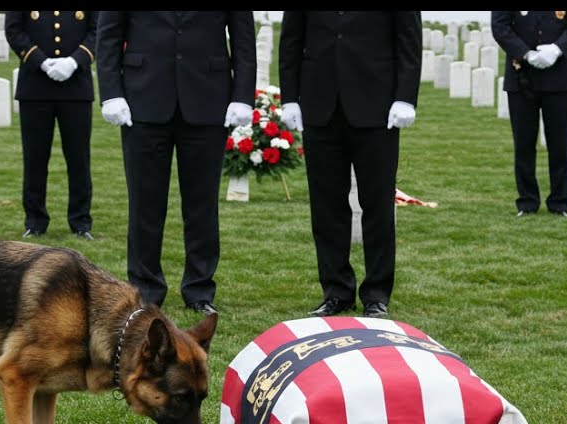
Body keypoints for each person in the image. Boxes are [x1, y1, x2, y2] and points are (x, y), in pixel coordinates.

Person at [96, 12, 256, 316]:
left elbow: (243, 39)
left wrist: (243, 96)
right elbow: (108, 35)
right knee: (144, 203)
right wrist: (111, 93)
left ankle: (199, 288)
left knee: (202, 205)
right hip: (143, 98)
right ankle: (145, 289)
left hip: (208, 98)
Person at [279, 11, 421, 319]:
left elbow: (408, 38)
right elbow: (291, 39)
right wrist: (290, 96)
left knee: (378, 204)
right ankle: (336, 290)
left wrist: (406, 96)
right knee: (326, 206)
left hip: (377, 105)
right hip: (320, 105)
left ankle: (377, 293)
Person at [4, 10, 98, 242]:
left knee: (79, 159)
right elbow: (14, 30)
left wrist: (75, 60)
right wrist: (41, 62)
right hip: (36, 86)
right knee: (35, 158)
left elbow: (97, 30)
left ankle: (80, 221)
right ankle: (35, 221)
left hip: (76, 86)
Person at [491, 10, 567, 218]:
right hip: (521, 76)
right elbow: (500, 27)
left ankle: (559, 202)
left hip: (559, 77)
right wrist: (525, 54)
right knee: (524, 144)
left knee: (559, 145)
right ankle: (527, 202)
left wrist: (557, 49)